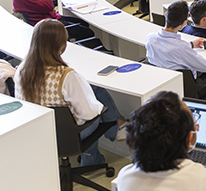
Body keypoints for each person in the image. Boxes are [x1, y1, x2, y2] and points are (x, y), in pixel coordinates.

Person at [14, 19, 126, 166]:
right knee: (97, 100)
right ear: (61, 45)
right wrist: (100, 106)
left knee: (91, 93)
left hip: (38, 132)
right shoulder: (67, 76)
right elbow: (89, 114)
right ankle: (95, 157)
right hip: (67, 135)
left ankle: (116, 129)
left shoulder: (21, 70)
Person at [145, 1, 206, 102]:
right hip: (189, 87)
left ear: (166, 15)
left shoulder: (150, 38)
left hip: (165, 82)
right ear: (183, 23)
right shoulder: (181, 47)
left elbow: (170, 47)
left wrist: (191, 44)